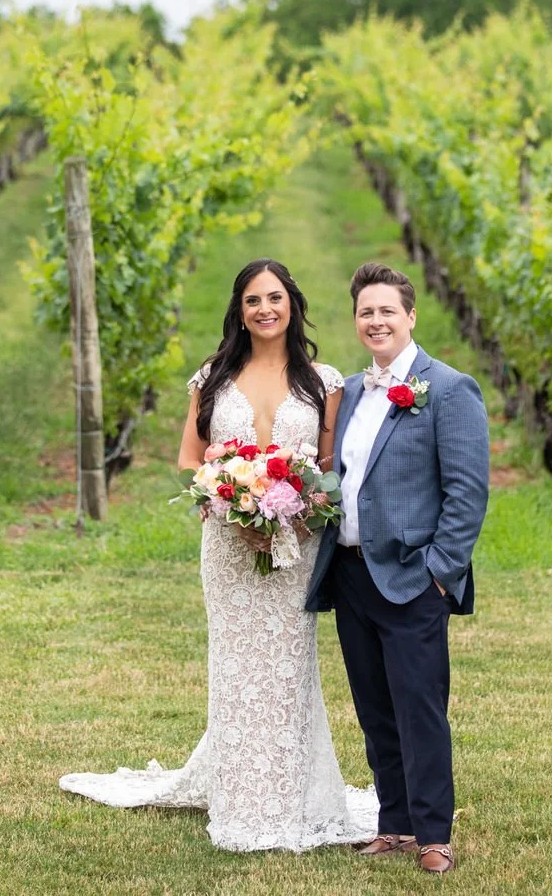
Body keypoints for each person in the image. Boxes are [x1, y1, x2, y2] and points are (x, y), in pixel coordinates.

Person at [59, 258, 377, 851]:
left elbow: (330, 470)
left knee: (286, 669)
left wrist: (293, 515)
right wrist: (233, 504)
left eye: (275, 298)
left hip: (294, 548)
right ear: (239, 309)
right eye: (253, 300)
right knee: (234, 669)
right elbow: (189, 459)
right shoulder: (211, 378)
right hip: (228, 550)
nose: (265, 309)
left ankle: (288, 794)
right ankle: (237, 794)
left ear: (292, 305)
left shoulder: (323, 383)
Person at [305, 261, 489, 875]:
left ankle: (435, 833)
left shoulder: (448, 388)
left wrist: (440, 570)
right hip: (353, 574)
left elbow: (467, 494)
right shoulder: (353, 392)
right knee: (374, 708)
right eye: (366, 312)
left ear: (411, 317)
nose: (376, 321)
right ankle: (395, 822)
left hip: (413, 577)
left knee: (419, 708)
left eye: (387, 310)